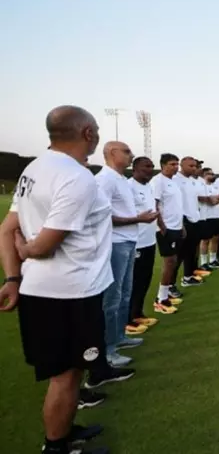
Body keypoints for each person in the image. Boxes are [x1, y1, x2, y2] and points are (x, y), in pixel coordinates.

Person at [0, 105, 119, 454]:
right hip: (70, 292)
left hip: (46, 290)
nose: (97, 134)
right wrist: (26, 251)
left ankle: (64, 433)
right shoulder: (77, 176)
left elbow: (7, 229)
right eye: (95, 129)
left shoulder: (33, 168)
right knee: (65, 377)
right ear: (87, 134)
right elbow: (43, 245)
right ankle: (56, 447)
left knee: (68, 374)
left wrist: (11, 279)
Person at [94, 141, 153, 366]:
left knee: (125, 293)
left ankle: (119, 337)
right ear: (111, 153)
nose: (131, 155)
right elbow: (102, 217)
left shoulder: (120, 180)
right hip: (115, 244)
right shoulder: (104, 180)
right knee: (112, 297)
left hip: (129, 242)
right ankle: (108, 351)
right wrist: (138, 218)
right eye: (127, 151)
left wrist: (139, 216)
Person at [128, 156, 160, 330]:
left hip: (149, 240)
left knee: (145, 279)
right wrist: (139, 218)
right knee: (132, 282)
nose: (150, 169)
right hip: (135, 241)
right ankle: (127, 319)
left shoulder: (149, 187)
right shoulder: (128, 186)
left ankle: (137, 313)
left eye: (151, 166)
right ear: (135, 168)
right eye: (146, 166)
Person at [151, 153, 184, 313]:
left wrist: (182, 226)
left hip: (176, 227)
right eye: (172, 164)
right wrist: (162, 226)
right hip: (166, 228)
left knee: (174, 260)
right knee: (169, 261)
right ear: (163, 165)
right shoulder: (158, 181)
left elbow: (176, 206)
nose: (176, 167)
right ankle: (160, 300)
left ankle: (165, 294)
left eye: (177, 164)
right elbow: (155, 205)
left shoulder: (173, 182)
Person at [175, 157, 208, 286]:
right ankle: (170, 285)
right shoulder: (176, 180)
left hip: (195, 219)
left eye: (195, 166)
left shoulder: (191, 181)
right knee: (179, 255)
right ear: (182, 166)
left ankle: (188, 277)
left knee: (191, 251)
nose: (194, 168)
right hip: (184, 220)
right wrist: (181, 221)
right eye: (191, 166)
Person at [198, 167, 219, 270]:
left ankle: (213, 260)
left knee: (216, 238)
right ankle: (204, 262)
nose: (212, 176)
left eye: (212, 174)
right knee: (205, 240)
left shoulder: (216, 186)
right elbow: (207, 200)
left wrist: (216, 198)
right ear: (204, 175)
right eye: (209, 174)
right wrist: (215, 199)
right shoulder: (201, 186)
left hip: (216, 215)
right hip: (206, 216)